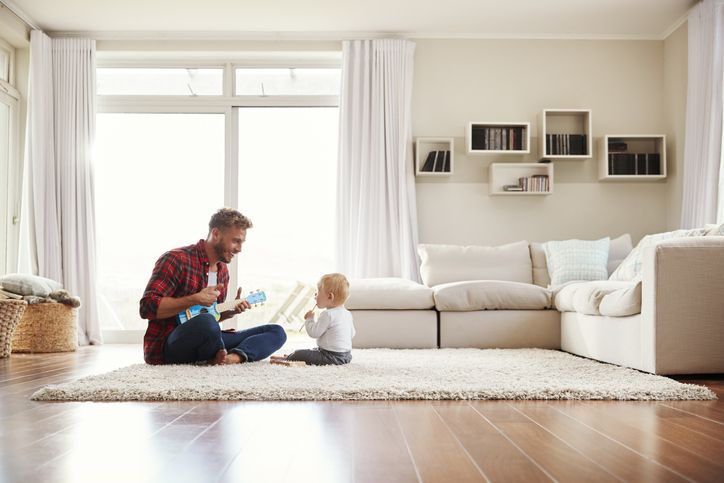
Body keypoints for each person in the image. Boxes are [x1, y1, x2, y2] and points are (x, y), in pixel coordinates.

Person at [139, 208, 286, 365]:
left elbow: (211, 316)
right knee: (206, 323)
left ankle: (232, 358)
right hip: (169, 344)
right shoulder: (176, 259)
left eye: (241, 243)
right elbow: (147, 308)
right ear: (216, 234)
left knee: (276, 332)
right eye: (236, 241)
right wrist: (194, 299)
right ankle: (217, 352)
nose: (239, 249)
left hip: (206, 339)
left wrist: (229, 312)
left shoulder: (223, 271)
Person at [283, 273, 355, 366]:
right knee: (313, 351)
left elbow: (314, 333)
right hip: (347, 356)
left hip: (330, 357)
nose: (315, 295)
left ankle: (290, 358)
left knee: (299, 353)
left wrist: (309, 319)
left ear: (330, 296)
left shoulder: (327, 314)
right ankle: (292, 356)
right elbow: (352, 334)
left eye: (318, 292)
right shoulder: (347, 313)